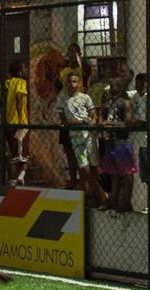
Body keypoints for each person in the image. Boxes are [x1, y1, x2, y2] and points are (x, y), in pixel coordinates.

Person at [56, 72, 106, 207]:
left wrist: (90, 122)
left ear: (79, 84)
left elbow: (93, 115)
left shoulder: (85, 97)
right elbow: (64, 121)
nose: (72, 85)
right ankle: (96, 195)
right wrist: (79, 122)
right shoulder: (62, 99)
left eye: (74, 82)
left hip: (89, 135)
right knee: (84, 169)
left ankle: (92, 196)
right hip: (75, 137)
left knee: (94, 167)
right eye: (69, 82)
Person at [100, 77, 137, 212]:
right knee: (113, 174)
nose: (111, 88)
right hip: (111, 142)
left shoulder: (125, 102)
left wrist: (111, 125)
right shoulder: (110, 103)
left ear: (121, 87)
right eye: (110, 85)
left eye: (113, 85)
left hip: (122, 142)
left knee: (126, 174)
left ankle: (126, 202)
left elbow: (128, 123)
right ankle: (113, 201)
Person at [130, 72, 150, 214]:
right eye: (137, 84)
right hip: (142, 142)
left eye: (142, 84)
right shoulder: (137, 96)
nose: (139, 87)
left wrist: (127, 123)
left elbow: (142, 120)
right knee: (146, 176)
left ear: (148, 84)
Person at [3, 61, 30, 186]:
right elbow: (19, 96)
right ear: (19, 72)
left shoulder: (7, 83)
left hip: (8, 122)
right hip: (19, 123)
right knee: (22, 155)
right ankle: (18, 178)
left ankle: (16, 179)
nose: (26, 70)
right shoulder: (21, 82)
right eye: (24, 68)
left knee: (15, 153)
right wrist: (20, 117)